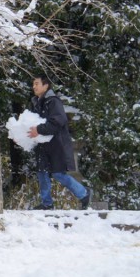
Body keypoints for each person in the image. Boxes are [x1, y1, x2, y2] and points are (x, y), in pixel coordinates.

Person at [27, 75, 91, 210]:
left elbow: (58, 121)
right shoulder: (36, 102)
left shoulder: (53, 102)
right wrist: (21, 135)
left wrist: (39, 129)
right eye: (33, 84)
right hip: (42, 144)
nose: (34, 86)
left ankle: (84, 194)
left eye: (37, 83)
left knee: (58, 174)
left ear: (46, 86)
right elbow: (30, 123)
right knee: (42, 172)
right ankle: (47, 203)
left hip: (57, 144)